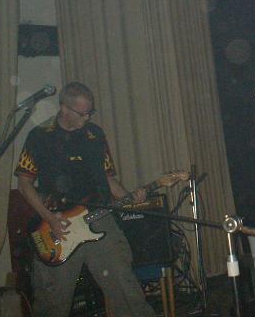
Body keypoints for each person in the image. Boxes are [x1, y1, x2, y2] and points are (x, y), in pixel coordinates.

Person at [14, 82, 156, 317]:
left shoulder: (95, 135)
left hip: (100, 218)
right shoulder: (39, 136)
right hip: (59, 225)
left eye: (90, 112)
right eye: (82, 113)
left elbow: (108, 179)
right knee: (52, 302)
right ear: (64, 108)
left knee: (126, 289)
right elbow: (24, 183)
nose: (87, 117)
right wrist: (49, 217)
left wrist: (130, 199)